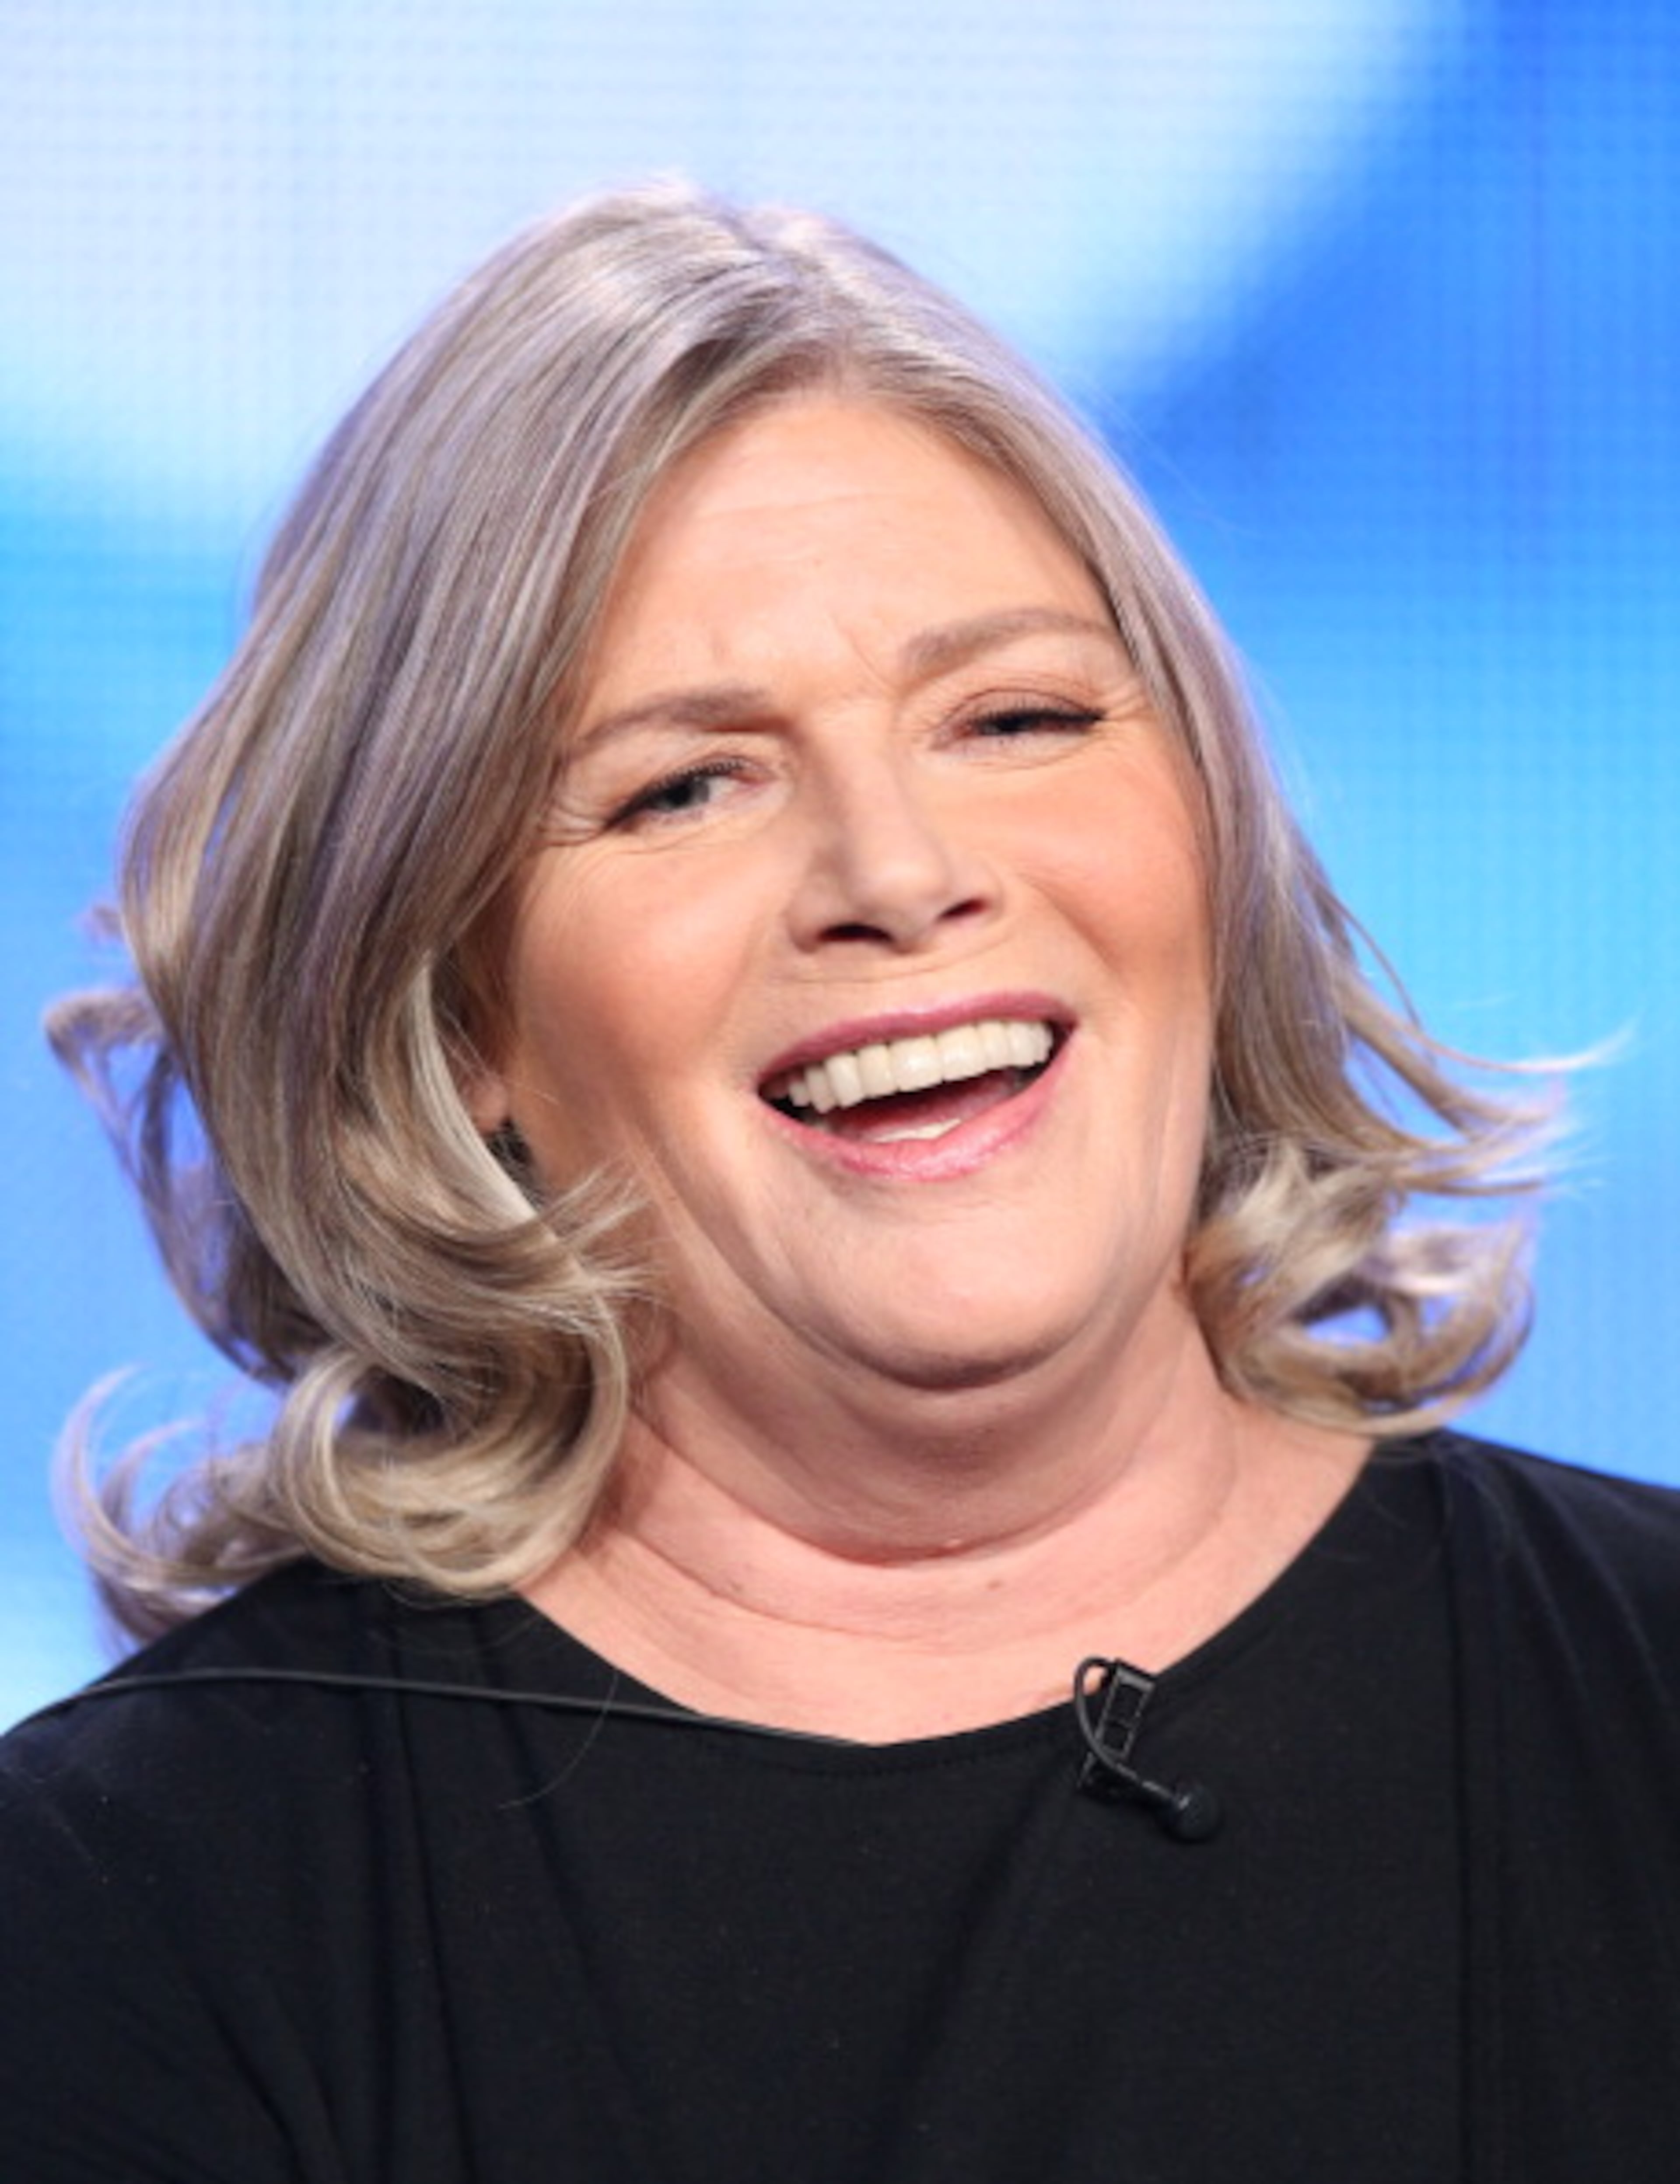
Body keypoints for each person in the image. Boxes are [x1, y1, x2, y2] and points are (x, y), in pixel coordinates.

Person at [3, 178, 1677, 2183]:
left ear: (1212, 839)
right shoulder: (130, 1915)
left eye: (1016, 716)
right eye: (685, 786)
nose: (898, 872)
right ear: (454, 1016)